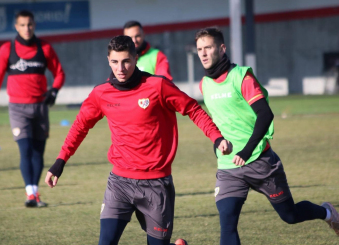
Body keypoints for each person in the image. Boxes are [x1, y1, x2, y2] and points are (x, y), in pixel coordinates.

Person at [45, 35, 231, 245]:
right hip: (119, 183)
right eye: (115, 62)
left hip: (156, 184)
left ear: (135, 59)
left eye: (126, 61)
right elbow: (80, 126)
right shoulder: (101, 94)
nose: (120, 68)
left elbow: (192, 109)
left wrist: (216, 137)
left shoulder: (157, 86)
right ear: (108, 61)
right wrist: (60, 161)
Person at [195, 26, 339, 244]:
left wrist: (246, 150)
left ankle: (327, 213)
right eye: (199, 49)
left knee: (289, 215)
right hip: (228, 168)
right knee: (227, 223)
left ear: (222, 49)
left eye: (208, 47)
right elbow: (219, 121)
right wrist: (217, 142)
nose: (203, 53)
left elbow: (265, 115)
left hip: (260, 161)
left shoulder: (241, 77)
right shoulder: (204, 84)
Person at [0, 10, 65, 208]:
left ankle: (35, 194)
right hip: (18, 108)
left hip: (40, 108)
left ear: (34, 25)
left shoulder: (44, 48)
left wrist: (53, 91)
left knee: (38, 152)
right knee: (25, 149)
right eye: (22, 25)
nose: (26, 28)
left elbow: (60, 73)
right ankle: (30, 193)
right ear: (16, 26)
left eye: (29, 24)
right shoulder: (7, 49)